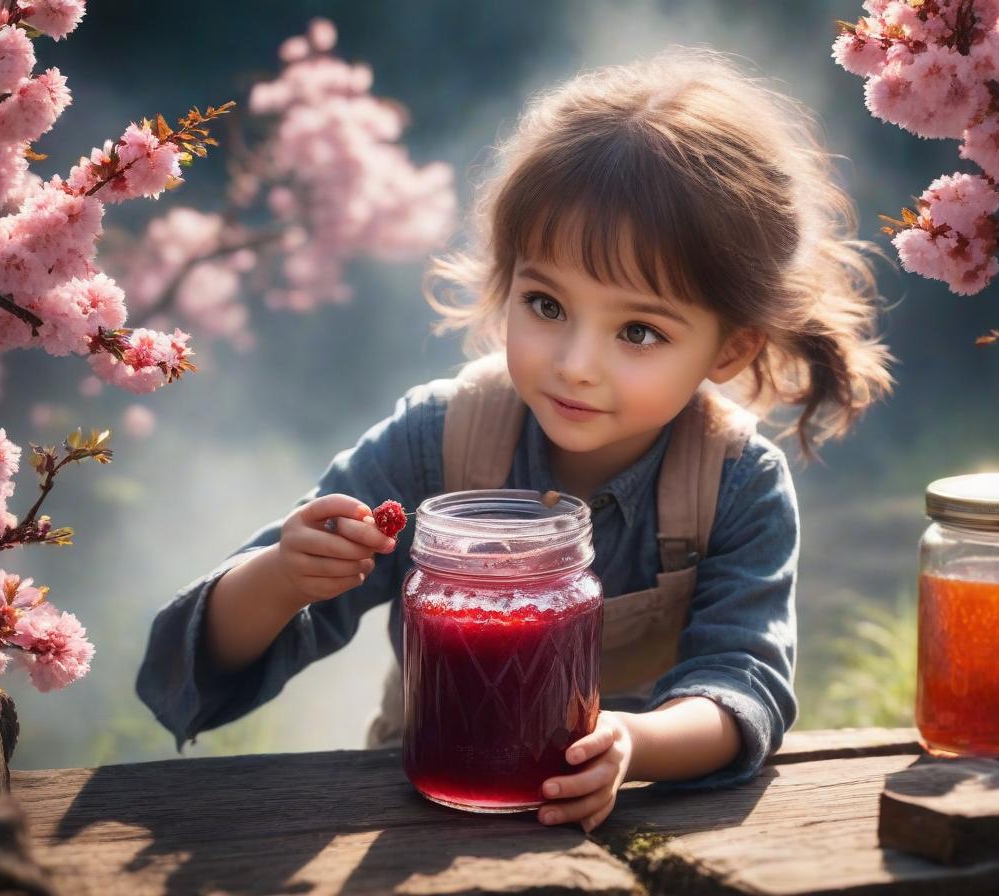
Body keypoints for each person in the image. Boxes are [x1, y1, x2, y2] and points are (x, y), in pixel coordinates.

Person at [137, 47, 893, 834]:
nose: (575, 365)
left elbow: (746, 685)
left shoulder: (737, 482)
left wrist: (634, 742)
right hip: (422, 823)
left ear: (730, 349)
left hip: (635, 828)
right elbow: (197, 663)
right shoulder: (437, 439)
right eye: (546, 304)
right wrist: (287, 575)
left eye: (637, 330)